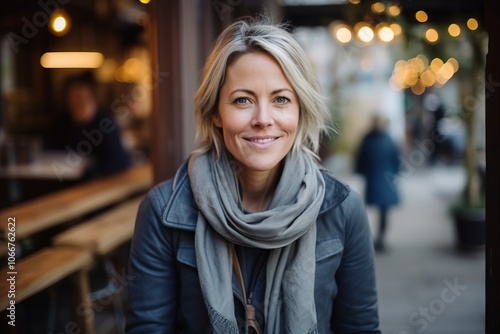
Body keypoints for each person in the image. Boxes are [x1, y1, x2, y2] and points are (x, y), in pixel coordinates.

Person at [127, 18, 380, 333]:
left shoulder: (343, 209)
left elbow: (360, 328)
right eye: (242, 100)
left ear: (300, 110)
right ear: (216, 113)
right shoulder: (163, 211)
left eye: (281, 100)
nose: (263, 119)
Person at [51, 71, 131, 179]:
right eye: (73, 98)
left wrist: (89, 171)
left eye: (82, 98)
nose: (78, 102)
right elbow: (53, 151)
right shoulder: (63, 120)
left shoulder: (105, 124)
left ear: (92, 99)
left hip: (97, 184)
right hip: (65, 179)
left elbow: (118, 163)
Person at [356, 114, 401, 252]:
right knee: (384, 212)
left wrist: (361, 171)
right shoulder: (389, 140)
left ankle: (369, 239)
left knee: (365, 210)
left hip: (373, 179)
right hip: (387, 181)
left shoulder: (367, 140)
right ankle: (381, 239)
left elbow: (360, 159)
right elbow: (397, 160)